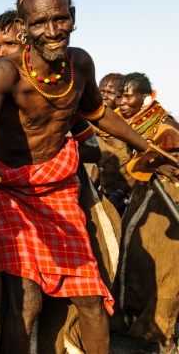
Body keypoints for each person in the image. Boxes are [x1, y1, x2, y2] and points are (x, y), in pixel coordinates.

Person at [0, 0, 161, 354]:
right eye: (38, 24)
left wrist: (143, 144)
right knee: (27, 298)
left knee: (90, 298)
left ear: (73, 17)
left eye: (60, 19)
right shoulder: (4, 72)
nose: (52, 32)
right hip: (9, 188)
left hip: (59, 187)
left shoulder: (79, 63)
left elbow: (98, 113)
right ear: (23, 25)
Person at [111, 72, 179, 354]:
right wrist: (122, 193)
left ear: (146, 97)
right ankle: (133, 323)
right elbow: (140, 166)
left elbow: (158, 162)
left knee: (165, 268)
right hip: (144, 197)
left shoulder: (168, 128)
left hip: (169, 200)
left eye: (129, 96)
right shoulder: (130, 125)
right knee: (134, 255)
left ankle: (163, 339)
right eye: (120, 96)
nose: (123, 101)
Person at [92, 73, 131, 200]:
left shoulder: (131, 126)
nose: (103, 96)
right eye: (100, 91)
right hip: (107, 195)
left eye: (110, 92)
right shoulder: (95, 124)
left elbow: (143, 169)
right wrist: (92, 190)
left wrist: (120, 193)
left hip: (130, 196)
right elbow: (99, 165)